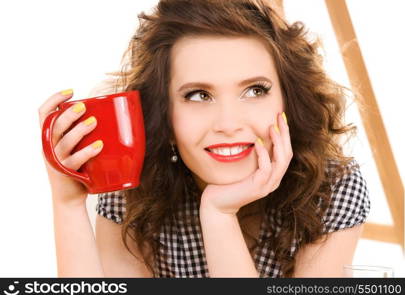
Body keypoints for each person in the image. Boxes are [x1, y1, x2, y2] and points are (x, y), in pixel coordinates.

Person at [38, 0, 370, 278]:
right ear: (163, 115)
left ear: (288, 101)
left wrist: (218, 216)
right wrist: (67, 206)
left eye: (255, 90)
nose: (228, 124)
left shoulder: (332, 189)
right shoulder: (134, 190)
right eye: (198, 95)